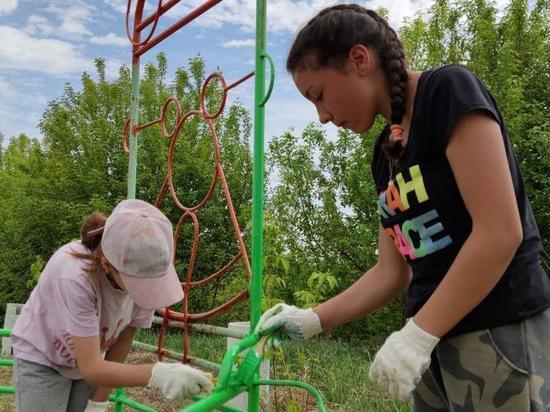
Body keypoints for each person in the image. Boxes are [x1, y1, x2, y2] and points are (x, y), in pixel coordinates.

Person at [256, 4, 550, 411]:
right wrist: (312, 319)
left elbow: (500, 231)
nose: (322, 116)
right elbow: (391, 272)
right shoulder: (386, 153)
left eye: (319, 95)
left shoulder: (446, 92)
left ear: (359, 59)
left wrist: (418, 335)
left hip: (496, 331)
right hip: (430, 346)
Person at [11, 199, 214, 412]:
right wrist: (159, 374)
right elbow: (92, 368)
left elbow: (122, 342)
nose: (147, 288)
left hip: (87, 358)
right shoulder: (74, 275)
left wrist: (98, 401)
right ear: (107, 264)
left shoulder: (146, 273)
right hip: (43, 355)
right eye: (139, 282)